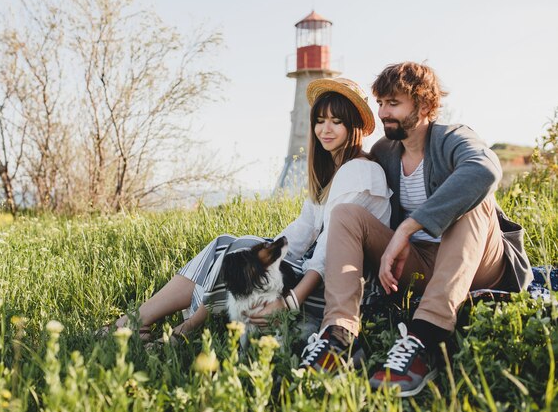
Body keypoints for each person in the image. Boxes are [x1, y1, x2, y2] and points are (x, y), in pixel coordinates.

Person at [299, 62, 532, 397]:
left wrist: (409, 225)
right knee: (347, 214)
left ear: (423, 105)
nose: (382, 112)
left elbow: (484, 169)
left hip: (479, 262)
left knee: (473, 200)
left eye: (393, 103)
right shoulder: (384, 152)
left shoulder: (452, 137)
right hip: (419, 264)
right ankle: (340, 337)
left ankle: (425, 339)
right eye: (380, 103)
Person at [103, 77, 392, 341]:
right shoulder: (332, 174)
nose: (324, 129)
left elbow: (328, 250)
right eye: (319, 120)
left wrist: (288, 301)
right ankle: (145, 322)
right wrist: (262, 254)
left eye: (336, 121)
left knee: (239, 248)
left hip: (350, 292)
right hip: (317, 276)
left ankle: (180, 328)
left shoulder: (359, 172)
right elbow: (300, 233)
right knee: (229, 244)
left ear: (352, 126)